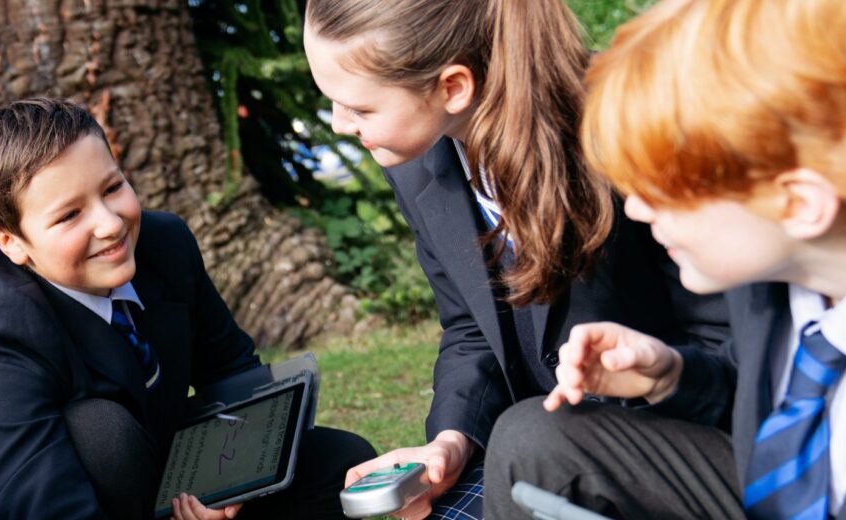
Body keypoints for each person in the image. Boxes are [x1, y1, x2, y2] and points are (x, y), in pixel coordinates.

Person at [495, 0, 846, 517]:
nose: (636, 210)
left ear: (801, 202)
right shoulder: (792, 255)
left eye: (663, 188)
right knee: (537, 440)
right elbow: (794, 395)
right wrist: (672, 377)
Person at [301, 1, 730, 517]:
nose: (338, 124)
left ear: (453, 87)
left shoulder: (627, 120)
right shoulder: (415, 163)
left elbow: (727, 334)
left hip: (673, 440)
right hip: (525, 443)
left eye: (360, 109)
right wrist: (452, 440)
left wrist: (655, 380)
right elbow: (470, 328)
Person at [0, 98, 376, 520]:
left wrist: (231, 481)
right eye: (69, 215)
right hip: (50, 495)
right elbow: (32, 500)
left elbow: (229, 371)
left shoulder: (165, 243)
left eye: (112, 188)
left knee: (343, 464)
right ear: (10, 242)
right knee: (102, 433)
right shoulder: (1, 329)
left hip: (158, 470)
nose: (109, 224)